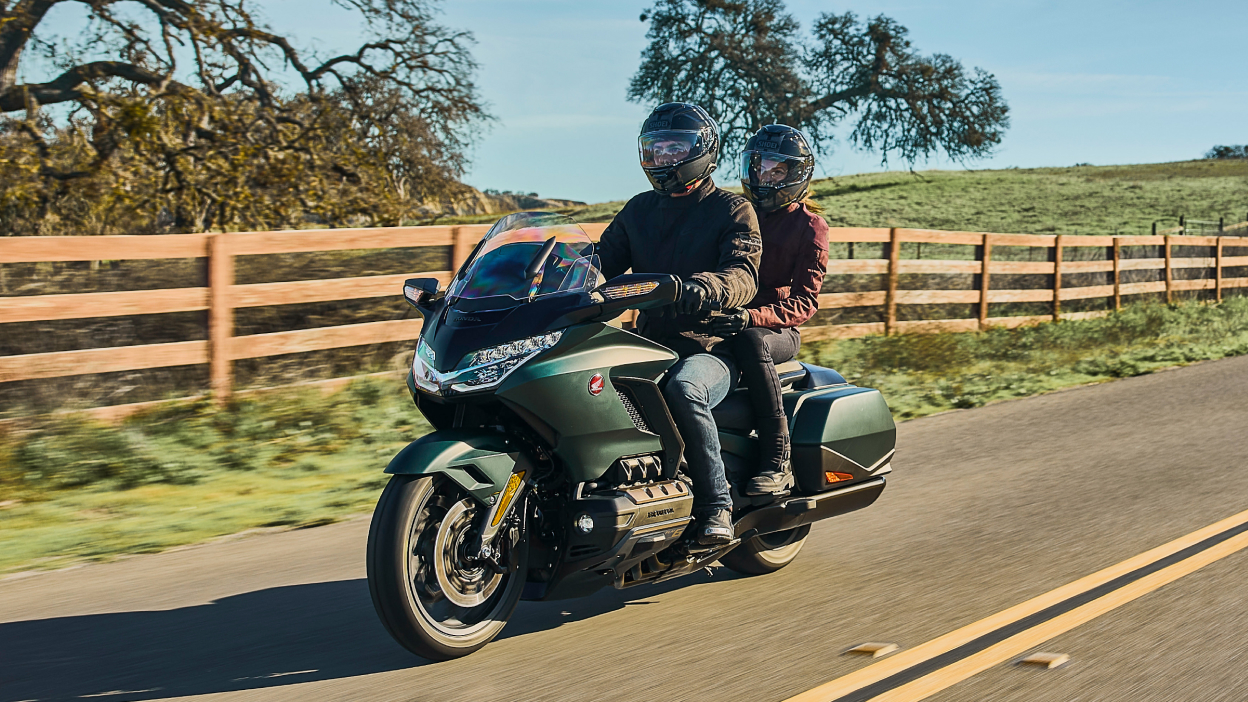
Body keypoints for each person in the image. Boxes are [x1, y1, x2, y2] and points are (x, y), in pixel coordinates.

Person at [596, 102, 762, 545]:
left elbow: (744, 275)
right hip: (649, 342)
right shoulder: (638, 211)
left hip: (711, 346)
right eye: (657, 149)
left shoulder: (732, 210)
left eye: (676, 148)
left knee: (684, 389)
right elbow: (598, 263)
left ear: (703, 150)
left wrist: (703, 287)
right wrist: (542, 277)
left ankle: (717, 508)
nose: (665, 159)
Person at [711, 125, 829, 496]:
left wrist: (754, 317)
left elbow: (806, 301)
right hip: (728, 316)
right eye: (759, 168)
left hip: (776, 330)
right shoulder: (735, 212)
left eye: (776, 171)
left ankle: (776, 458)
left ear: (796, 174)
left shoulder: (809, 227)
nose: (764, 178)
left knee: (750, 341)